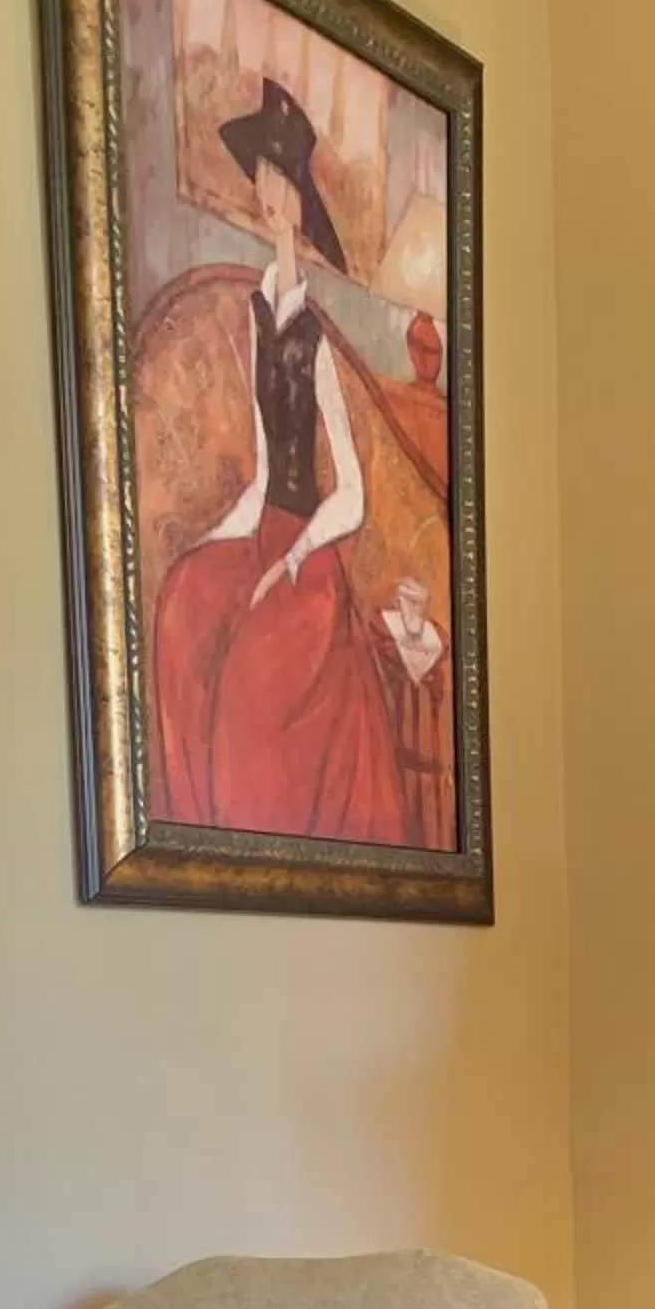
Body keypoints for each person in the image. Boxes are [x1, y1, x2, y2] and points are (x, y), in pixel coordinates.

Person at [149, 79, 408, 844]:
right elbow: (267, 469)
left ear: (299, 201)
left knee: (253, 684)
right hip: (264, 531)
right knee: (184, 603)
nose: (269, 196)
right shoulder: (258, 313)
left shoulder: (315, 339)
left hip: (310, 558)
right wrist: (217, 541)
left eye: (281, 182)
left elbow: (352, 494)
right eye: (262, 179)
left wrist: (291, 559)